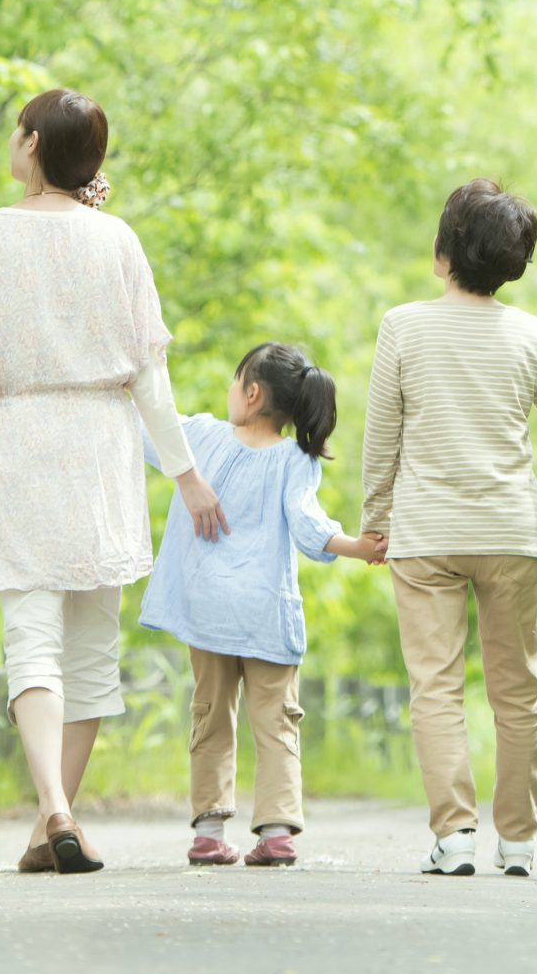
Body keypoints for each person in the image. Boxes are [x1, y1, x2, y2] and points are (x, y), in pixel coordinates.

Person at [0, 88, 221, 875]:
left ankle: (52, 811)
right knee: (89, 651)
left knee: (32, 643)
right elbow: (153, 379)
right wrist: (186, 476)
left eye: (18, 130)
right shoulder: (117, 241)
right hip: (100, 449)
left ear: (34, 147)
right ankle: (57, 816)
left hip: (18, 441)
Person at [362, 179, 537, 879]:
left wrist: (374, 522)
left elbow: (380, 437)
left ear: (444, 251)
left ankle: (453, 838)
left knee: (436, 688)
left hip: (427, 535)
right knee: (518, 691)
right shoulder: (532, 335)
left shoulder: (403, 326)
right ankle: (518, 842)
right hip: (511, 533)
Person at [140, 343, 387, 869]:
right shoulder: (295, 460)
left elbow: (144, 426)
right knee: (276, 722)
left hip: (207, 612)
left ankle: (208, 831)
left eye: (235, 381)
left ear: (251, 393)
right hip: (264, 613)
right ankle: (276, 831)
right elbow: (306, 526)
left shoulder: (201, 437)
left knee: (209, 716)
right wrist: (357, 547)